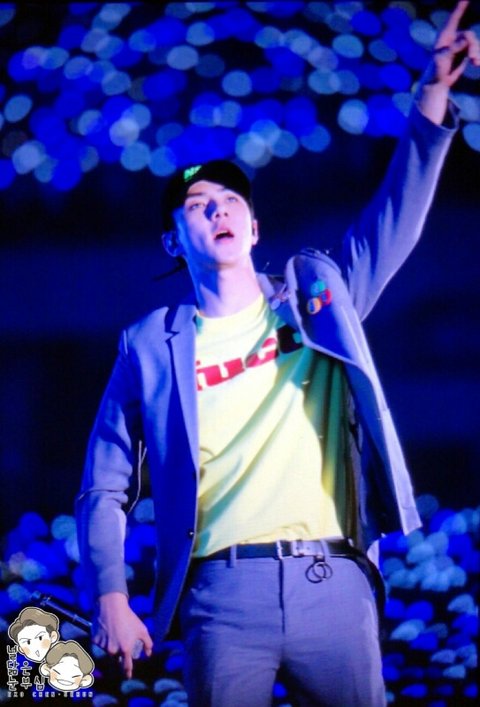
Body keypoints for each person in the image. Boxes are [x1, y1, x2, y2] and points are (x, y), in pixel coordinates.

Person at [76, 3, 479, 705]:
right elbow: (104, 484)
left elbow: (393, 218)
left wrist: (432, 96)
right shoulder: (150, 343)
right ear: (174, 240)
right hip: (221, 595)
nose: (218, 209)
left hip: (334, 583)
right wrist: (111, 594)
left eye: (231, 200)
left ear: (255, 226)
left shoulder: (317, 299)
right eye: (198, 204)